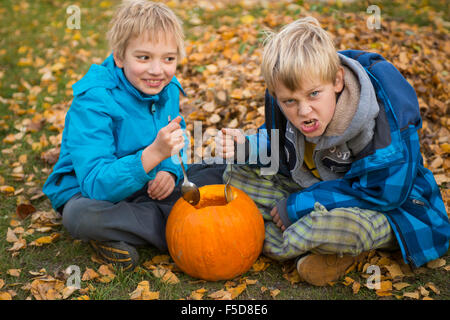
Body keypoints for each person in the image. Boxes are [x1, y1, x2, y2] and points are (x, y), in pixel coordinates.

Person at [217, 17, 450, 286]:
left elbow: (385, 194)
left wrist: (297, 206)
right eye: (290, 101)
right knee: (236, 174)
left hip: (386, 209)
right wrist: (245, 148)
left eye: (314, 94)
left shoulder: (377, 123)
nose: (303, 111)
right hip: (317, 192)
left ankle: (281, 237)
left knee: (336, 226)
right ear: (276, 95)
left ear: (337, 81)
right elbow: (277, 143)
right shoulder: (291, 110)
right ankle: (313, 244)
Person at [42, 0, 225, 271]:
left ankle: (134, 230)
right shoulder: (93, 100)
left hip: (148, 183)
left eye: (168, 59)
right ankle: (178, 225)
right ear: (119, 56)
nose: (157, 70)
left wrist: (168, 170)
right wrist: (154, 155)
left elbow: (176, 142)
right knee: (80, 217)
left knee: (223, 170)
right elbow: (96, 184)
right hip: (94, 192)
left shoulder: (167, 87)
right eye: (144, 57)